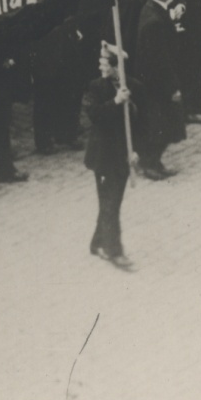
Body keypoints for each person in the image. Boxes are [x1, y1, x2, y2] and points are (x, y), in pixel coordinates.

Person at [83, 46, 135, 267]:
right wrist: (115, 102)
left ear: (116, 68)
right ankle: (113, 249)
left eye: (105, 63)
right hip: (103, 156)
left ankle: (97, 242)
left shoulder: (133, 87)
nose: (100, 66)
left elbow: (140, 124)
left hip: (122, 155)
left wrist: (137, 151)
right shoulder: (95, 87)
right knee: (110, 202)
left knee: (112, 201)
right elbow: (93, 115)